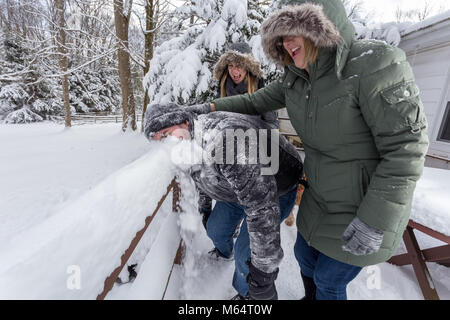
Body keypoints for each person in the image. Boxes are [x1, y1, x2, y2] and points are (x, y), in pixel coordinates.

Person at [185, 0, 429, 300]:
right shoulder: (297, 79)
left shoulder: (372, 63)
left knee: (329, 280)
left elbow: (406, 147)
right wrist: (201, 110)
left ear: (319, 26)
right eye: (281, 35)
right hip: (318, 198)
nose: (287, 43)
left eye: (293, 31)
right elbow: (251, 102)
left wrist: (376, 219)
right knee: (304, 258)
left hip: (362, 205)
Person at [144, 104, 303, 300]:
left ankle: (248, 294)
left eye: (167, 133)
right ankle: (225, 253)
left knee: (246, 253)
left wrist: (264, 276)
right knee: (215, 229)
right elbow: (200, 177)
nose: (167, 142)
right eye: (159, 140)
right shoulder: (184, 144)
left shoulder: (227, 141)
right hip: (235, 187)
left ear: (184, 122)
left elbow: (262, 208)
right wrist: (205, 207)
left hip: (277, 186)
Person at [201, 42, 279, 262]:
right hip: (229, 176)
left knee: (252, 246)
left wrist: (268, 168)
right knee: (215, 231)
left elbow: (272, 130)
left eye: (240, 65)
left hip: (256, 174)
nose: (235, 71)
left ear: (249, 67)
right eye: (231, 65)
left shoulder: (263, 92)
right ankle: (225, 251)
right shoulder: (221, 92)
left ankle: (249, 283)